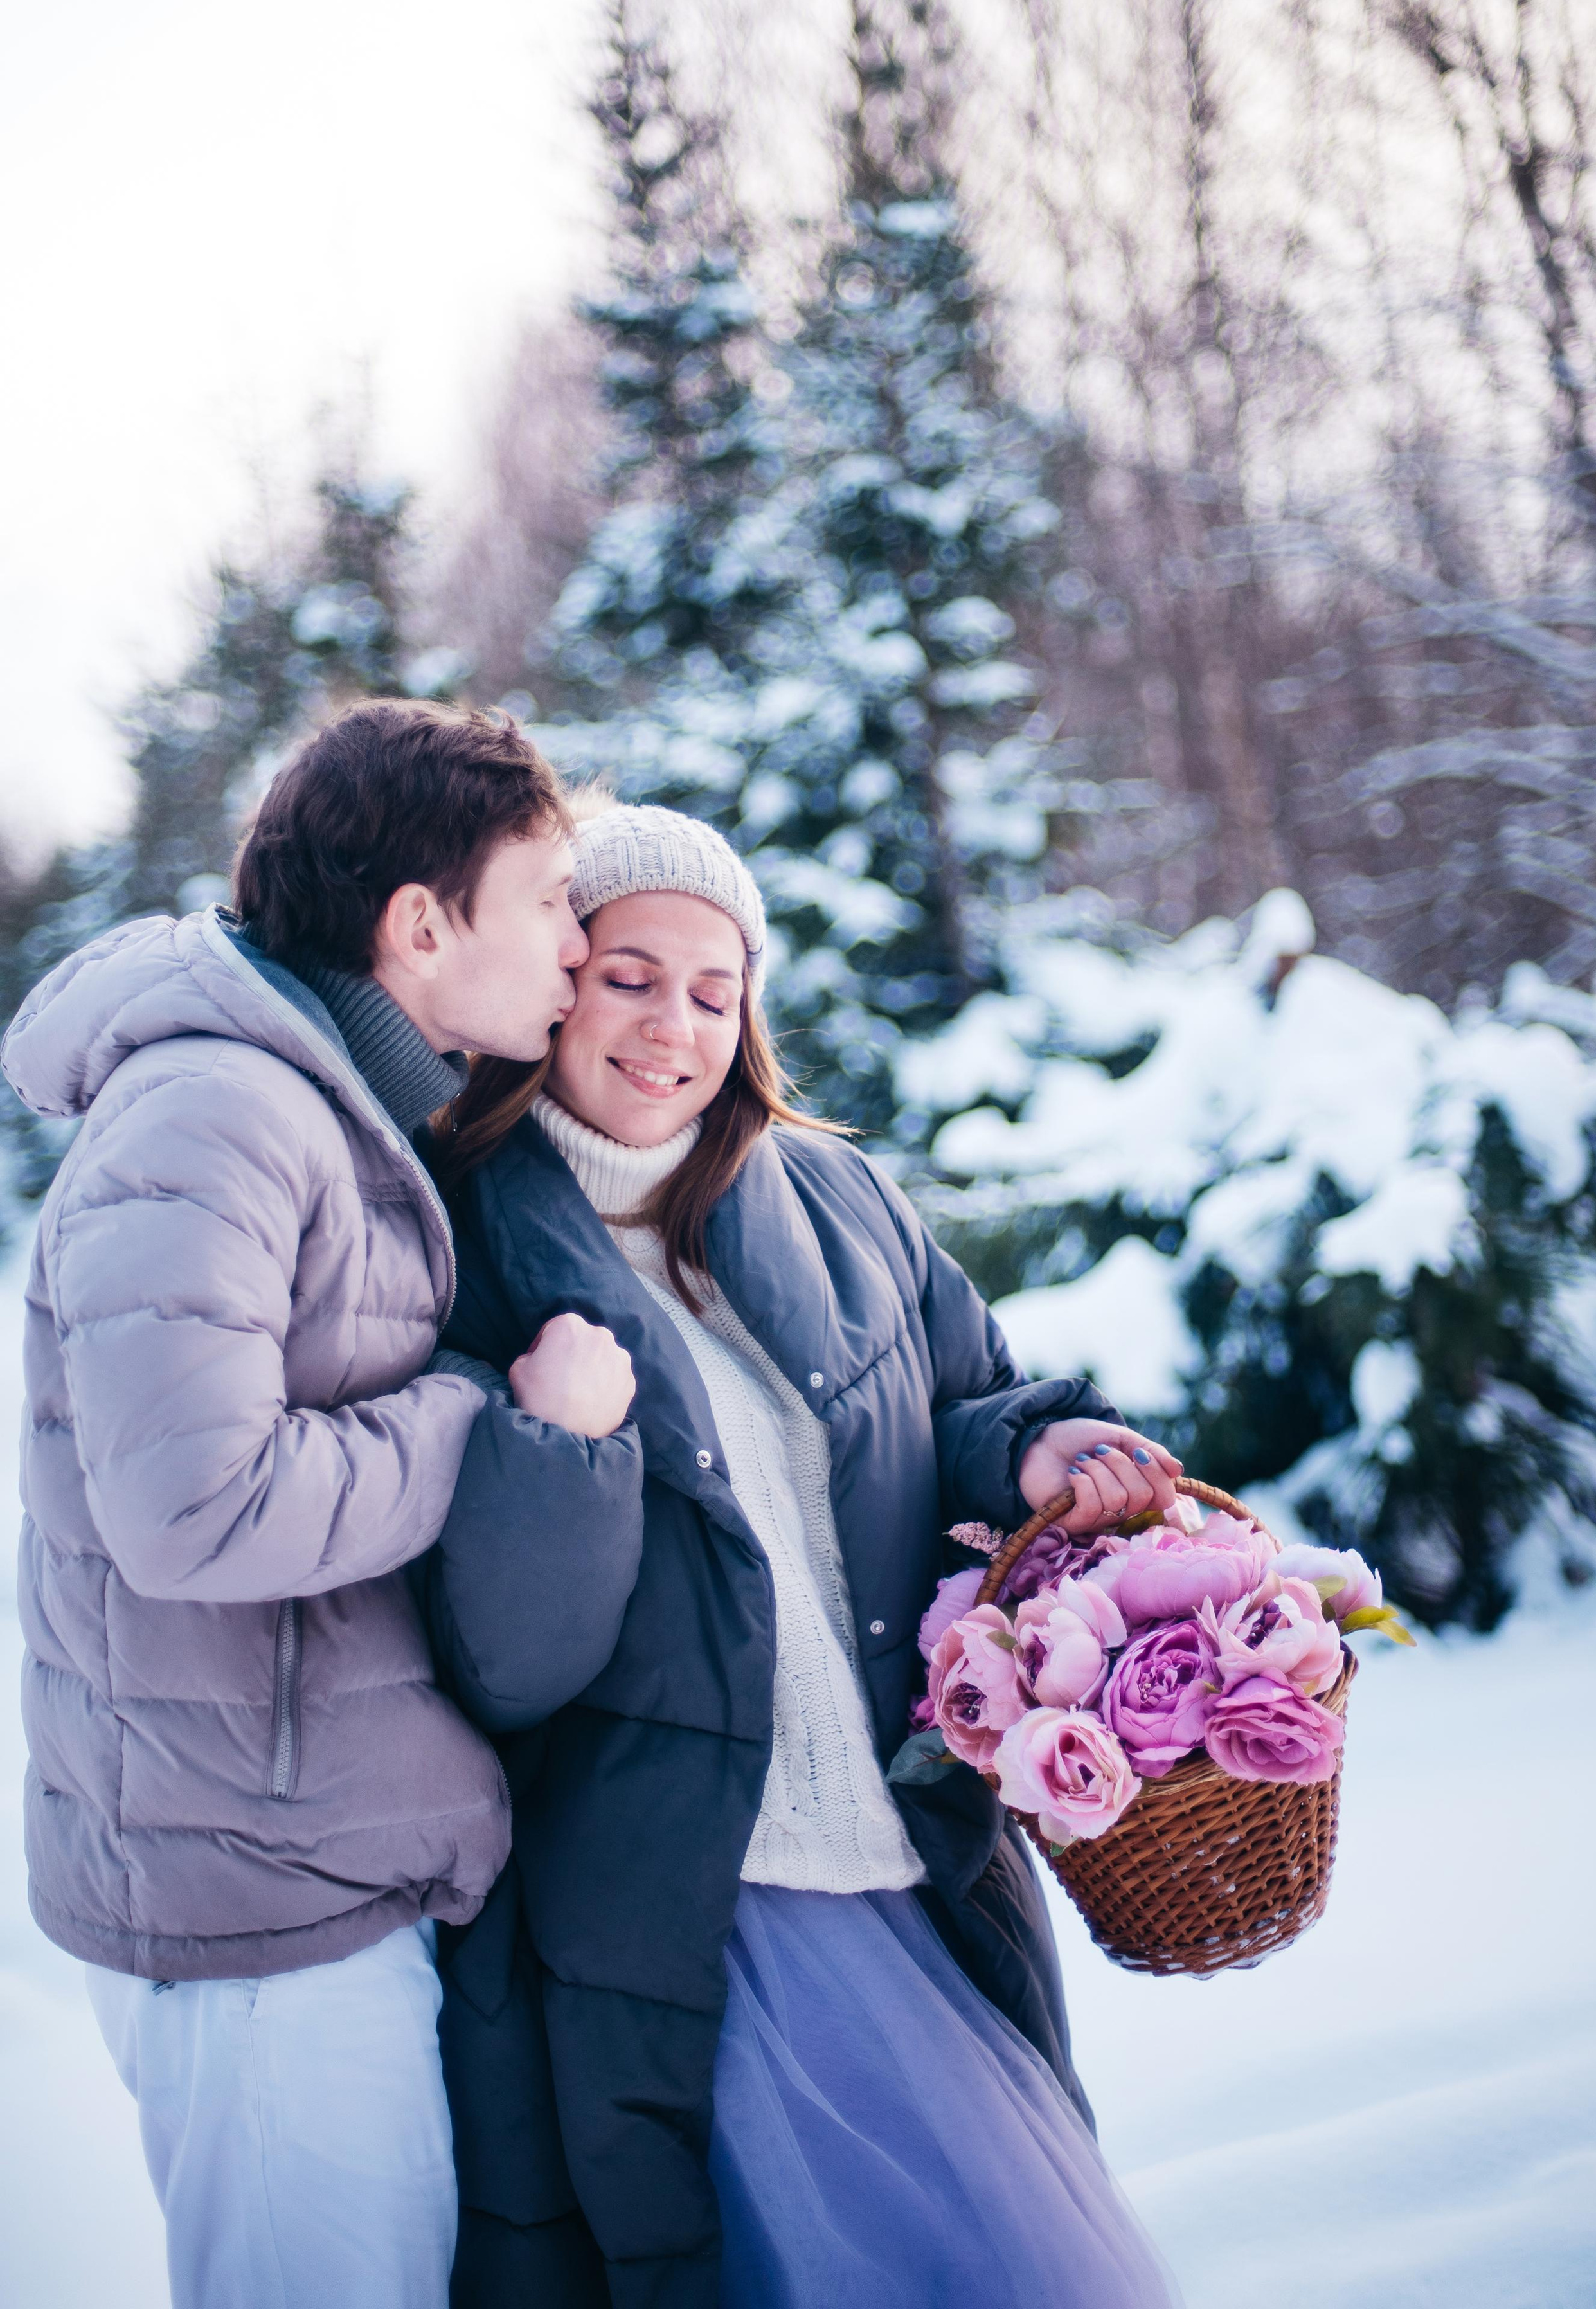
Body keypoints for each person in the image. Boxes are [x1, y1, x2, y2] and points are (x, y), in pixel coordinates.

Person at [418, 801, 1184, 2308]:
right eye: (631, 975)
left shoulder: (832, 1197)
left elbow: (956, 1400)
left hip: (915, 1861)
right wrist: (552, 1449)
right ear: (555, 980)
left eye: (717, 992)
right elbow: (498, 1656)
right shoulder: (459, 1233)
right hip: (699, 1899)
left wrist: (1028, 1449)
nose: (674, 1028)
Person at [0, 700, 639, 2309]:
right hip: (250, 1912)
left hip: (296, 1856)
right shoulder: (219, 1111)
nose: (578, 943)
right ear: (421, 923)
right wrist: (476, 1418)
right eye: (550, 898)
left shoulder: (329, 1102)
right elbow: (194, 1508)